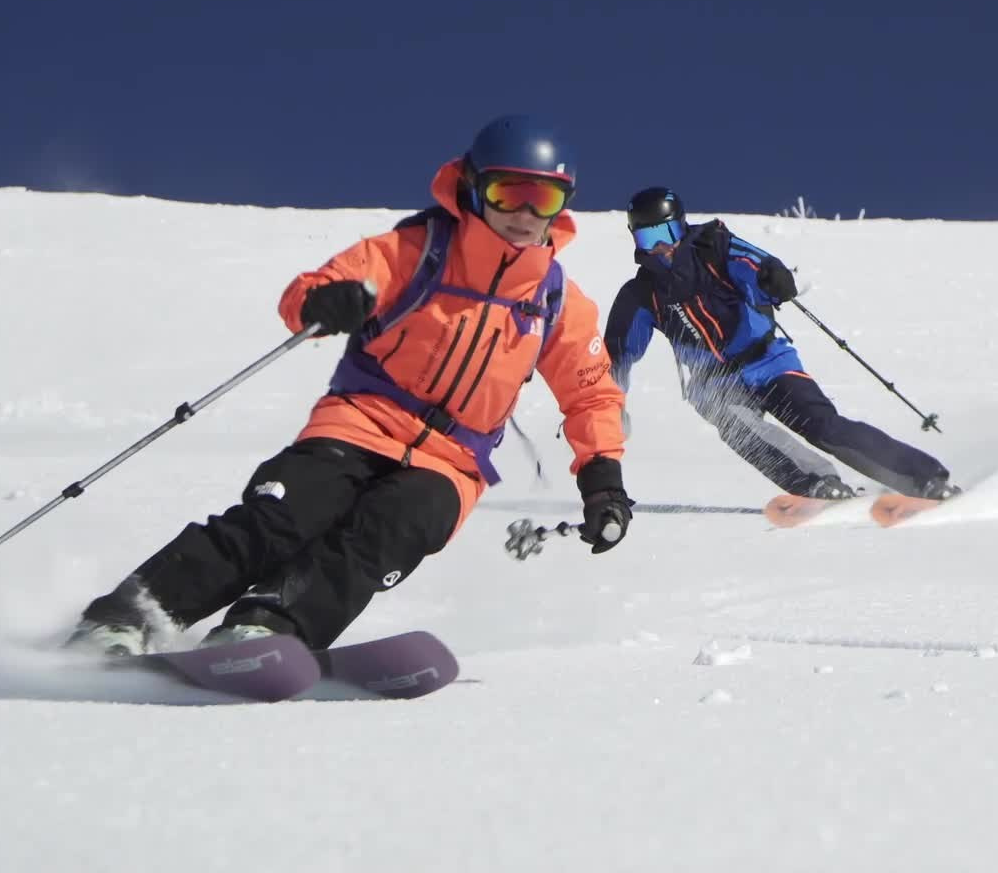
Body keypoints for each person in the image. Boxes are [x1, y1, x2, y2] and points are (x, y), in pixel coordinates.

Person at [66, 115, 633, 656]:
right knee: (282, 518)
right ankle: (125, 618)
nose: (525, 213)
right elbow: (315, 289)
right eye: (511, 194)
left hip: (452, 460)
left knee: (390, 532)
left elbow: (592, 394)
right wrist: (327, 302)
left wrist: (602, 478)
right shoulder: (415, 252)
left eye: (546, 199)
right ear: (475, 188)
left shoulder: (556, 301)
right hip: (360, 421)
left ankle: (268, 628)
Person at [603, 186, 956, 501]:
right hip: (714, 384)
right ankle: (817, 485)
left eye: (667, 232)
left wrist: (772, 277)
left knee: (822, 425)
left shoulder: (713, 247)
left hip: (767, 360)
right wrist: (611, 402)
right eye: (648, 239)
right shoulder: (641, 294)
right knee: (745, 433)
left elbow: (752, 264)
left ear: (681, 225)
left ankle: (923, 479)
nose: (661, 247)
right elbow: (617, 351)